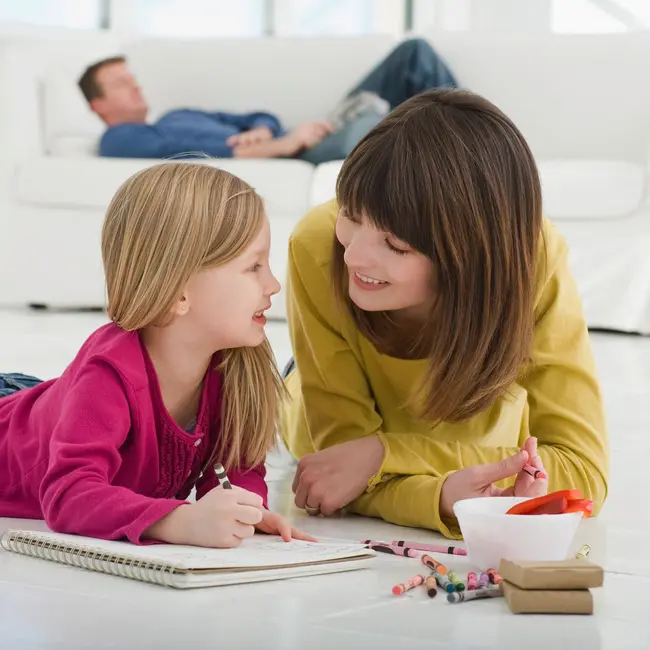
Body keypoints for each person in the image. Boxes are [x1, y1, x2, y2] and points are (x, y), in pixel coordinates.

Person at [280, 88, 609, 538]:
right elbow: (336, 470)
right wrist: (439, 494)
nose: (353, 256)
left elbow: (582, 471)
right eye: (351, 216)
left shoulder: (531, 256)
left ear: (466, 258)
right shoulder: (319, 245)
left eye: (395, 245)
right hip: (313, 396)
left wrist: (385, 456)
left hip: (457, 437)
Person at [0, 162, 314, 548]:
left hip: (47, 402)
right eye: (253, 267)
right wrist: (178, 521)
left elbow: (239, 464)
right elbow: (68, 496)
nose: (274, 285)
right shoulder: (109, 373)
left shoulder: (232, 363)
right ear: (179, 293)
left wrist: (249, 509)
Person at [78, 39, 456, 164]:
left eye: (134, 79)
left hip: (309, 133)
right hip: (302, 148)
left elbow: (259, 115)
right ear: (98, 106)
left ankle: (471, 142)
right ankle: (470, 150)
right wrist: (281, 144)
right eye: (121, 84)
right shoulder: (118, 139)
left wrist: (261, 129)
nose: (136, 87)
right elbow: (183, 155)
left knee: (413, 54)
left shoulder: (179, 114)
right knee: (398, 124)